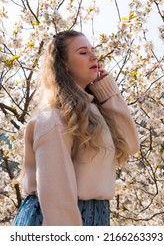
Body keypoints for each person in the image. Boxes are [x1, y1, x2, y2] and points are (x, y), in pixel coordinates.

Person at [13, 30, 140, 226]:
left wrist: (107, 92)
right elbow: (56, 192)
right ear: (63, 64)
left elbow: (130, 144)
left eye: (93, 50)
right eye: (82, 52)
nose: (93, 56)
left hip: (95, 215)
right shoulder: (54, 118)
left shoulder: (95, 110)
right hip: (62, 218)